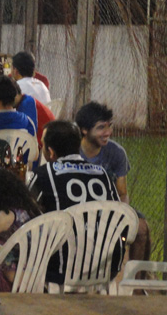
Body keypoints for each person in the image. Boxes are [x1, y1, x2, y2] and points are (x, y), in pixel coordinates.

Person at [28, 120, 121, 283]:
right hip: (106, 266)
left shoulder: (43, 174)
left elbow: (23, 214)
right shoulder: (102, 174)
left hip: (61, 269)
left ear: (51, 152)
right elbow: (120, 215)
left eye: (42, 145)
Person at [76, 101, 152, 263]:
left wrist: (121, 216)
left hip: (109, 209)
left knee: (142, 229)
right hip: (77, 208)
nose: (108, 132)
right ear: (84, 130)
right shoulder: (72, 151)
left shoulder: (116, 153)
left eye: (109, 126)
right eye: (101, 127)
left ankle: (137, 278)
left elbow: (122, 193)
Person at [14, 86, 55, 150]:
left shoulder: (26, 105)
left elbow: (28, 136)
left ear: (15, 95)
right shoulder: (26, 100)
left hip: (44, 144)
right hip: (46, 139)